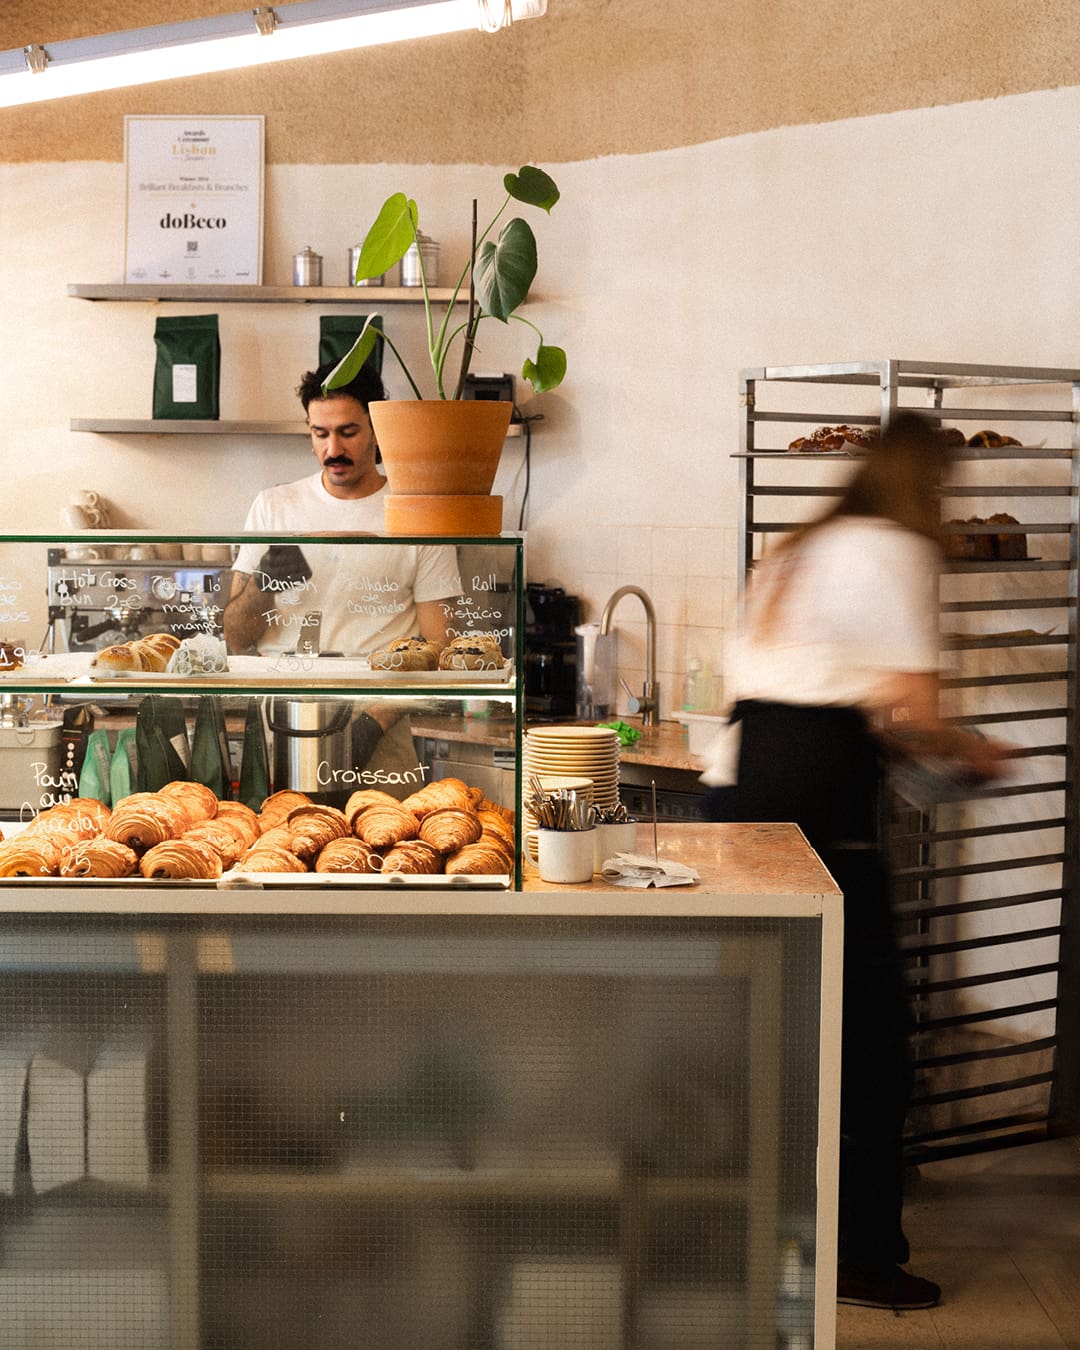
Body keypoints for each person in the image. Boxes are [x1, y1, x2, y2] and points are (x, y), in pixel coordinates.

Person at [701, 411, 1011, 1311]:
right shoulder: (897, 549)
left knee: (764, 1025)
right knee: (870, 1043)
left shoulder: (797, 546)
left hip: (739, 788)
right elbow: (911, 709)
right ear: (926, 481)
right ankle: (862, 1259)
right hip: (818, 802)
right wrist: (978, 752)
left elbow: (822, 689)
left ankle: (737, 1226)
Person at [224, 361, 462, 797]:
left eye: (348, 432)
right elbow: (235, 639)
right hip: (282, 720)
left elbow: (441, 645)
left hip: (379, 727)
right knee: (277, 856)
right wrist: (261, 587)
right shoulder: (273, 508)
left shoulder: (417, 512)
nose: (333, 448)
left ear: (376, 428)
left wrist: (374, 720)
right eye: (320, 433)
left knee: (388, 854)